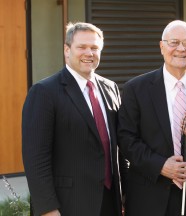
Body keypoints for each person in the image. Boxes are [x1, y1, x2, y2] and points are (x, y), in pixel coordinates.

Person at [117, 20, 186, 216]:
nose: (181, 49)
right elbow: (126, 139)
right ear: (162, 46)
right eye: (174, 42)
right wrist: (161, 166)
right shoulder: (136, 88)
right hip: (147, 192)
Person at [22, 22, 128, 216]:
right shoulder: (44, 92)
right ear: (67, 50)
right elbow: (35, 158)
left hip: (110, 201)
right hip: (68, 204)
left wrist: (125, 194)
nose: (89, 53)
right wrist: (47, 209)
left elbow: (118, 147)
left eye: (94, 48)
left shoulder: (110, 88)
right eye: (82, 47)